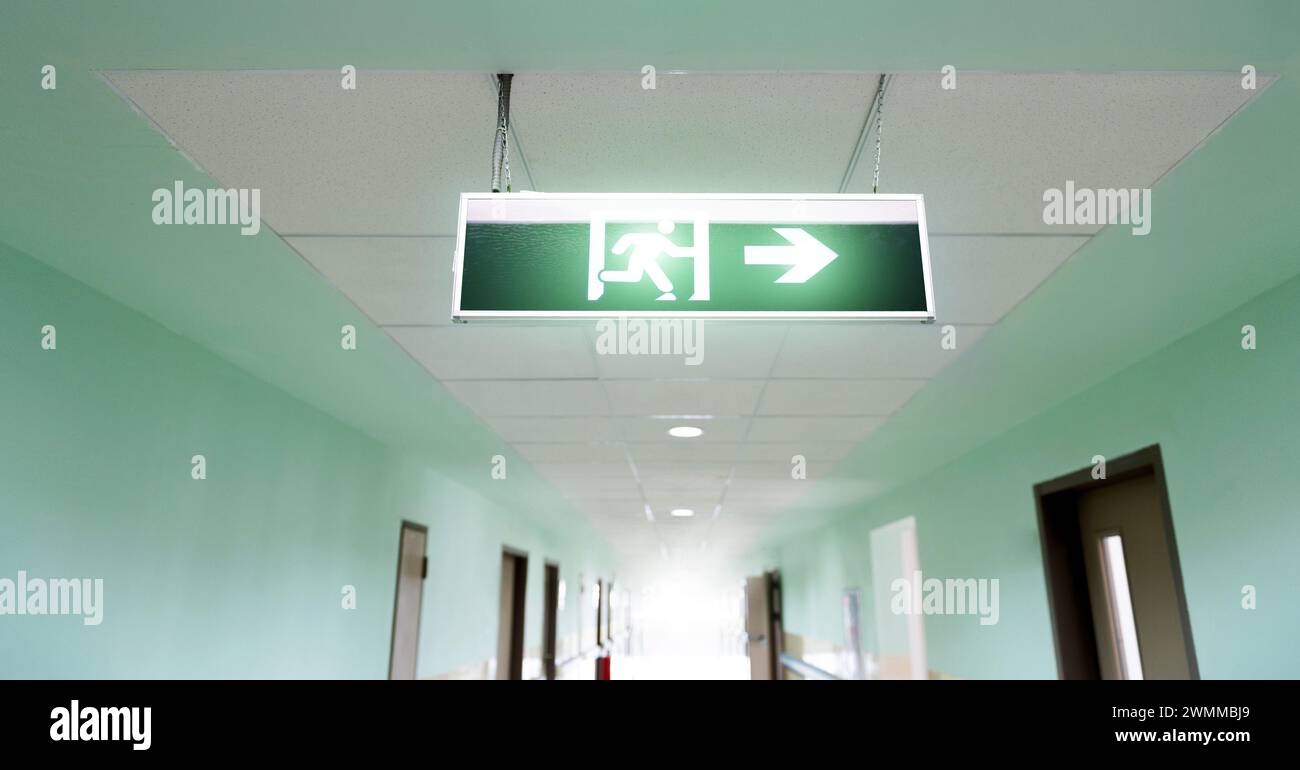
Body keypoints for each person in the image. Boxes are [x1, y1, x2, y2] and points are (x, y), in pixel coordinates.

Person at [598, 220, 691, 301]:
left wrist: (694, 251)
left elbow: (674, 251)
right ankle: (603, 276)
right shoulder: (657, 238)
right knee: (634, 276)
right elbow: (628, 238)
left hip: (644, 259)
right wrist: (618, 249)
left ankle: (603, 276)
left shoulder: (660, 239)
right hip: (638, 258)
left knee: (635, 276)